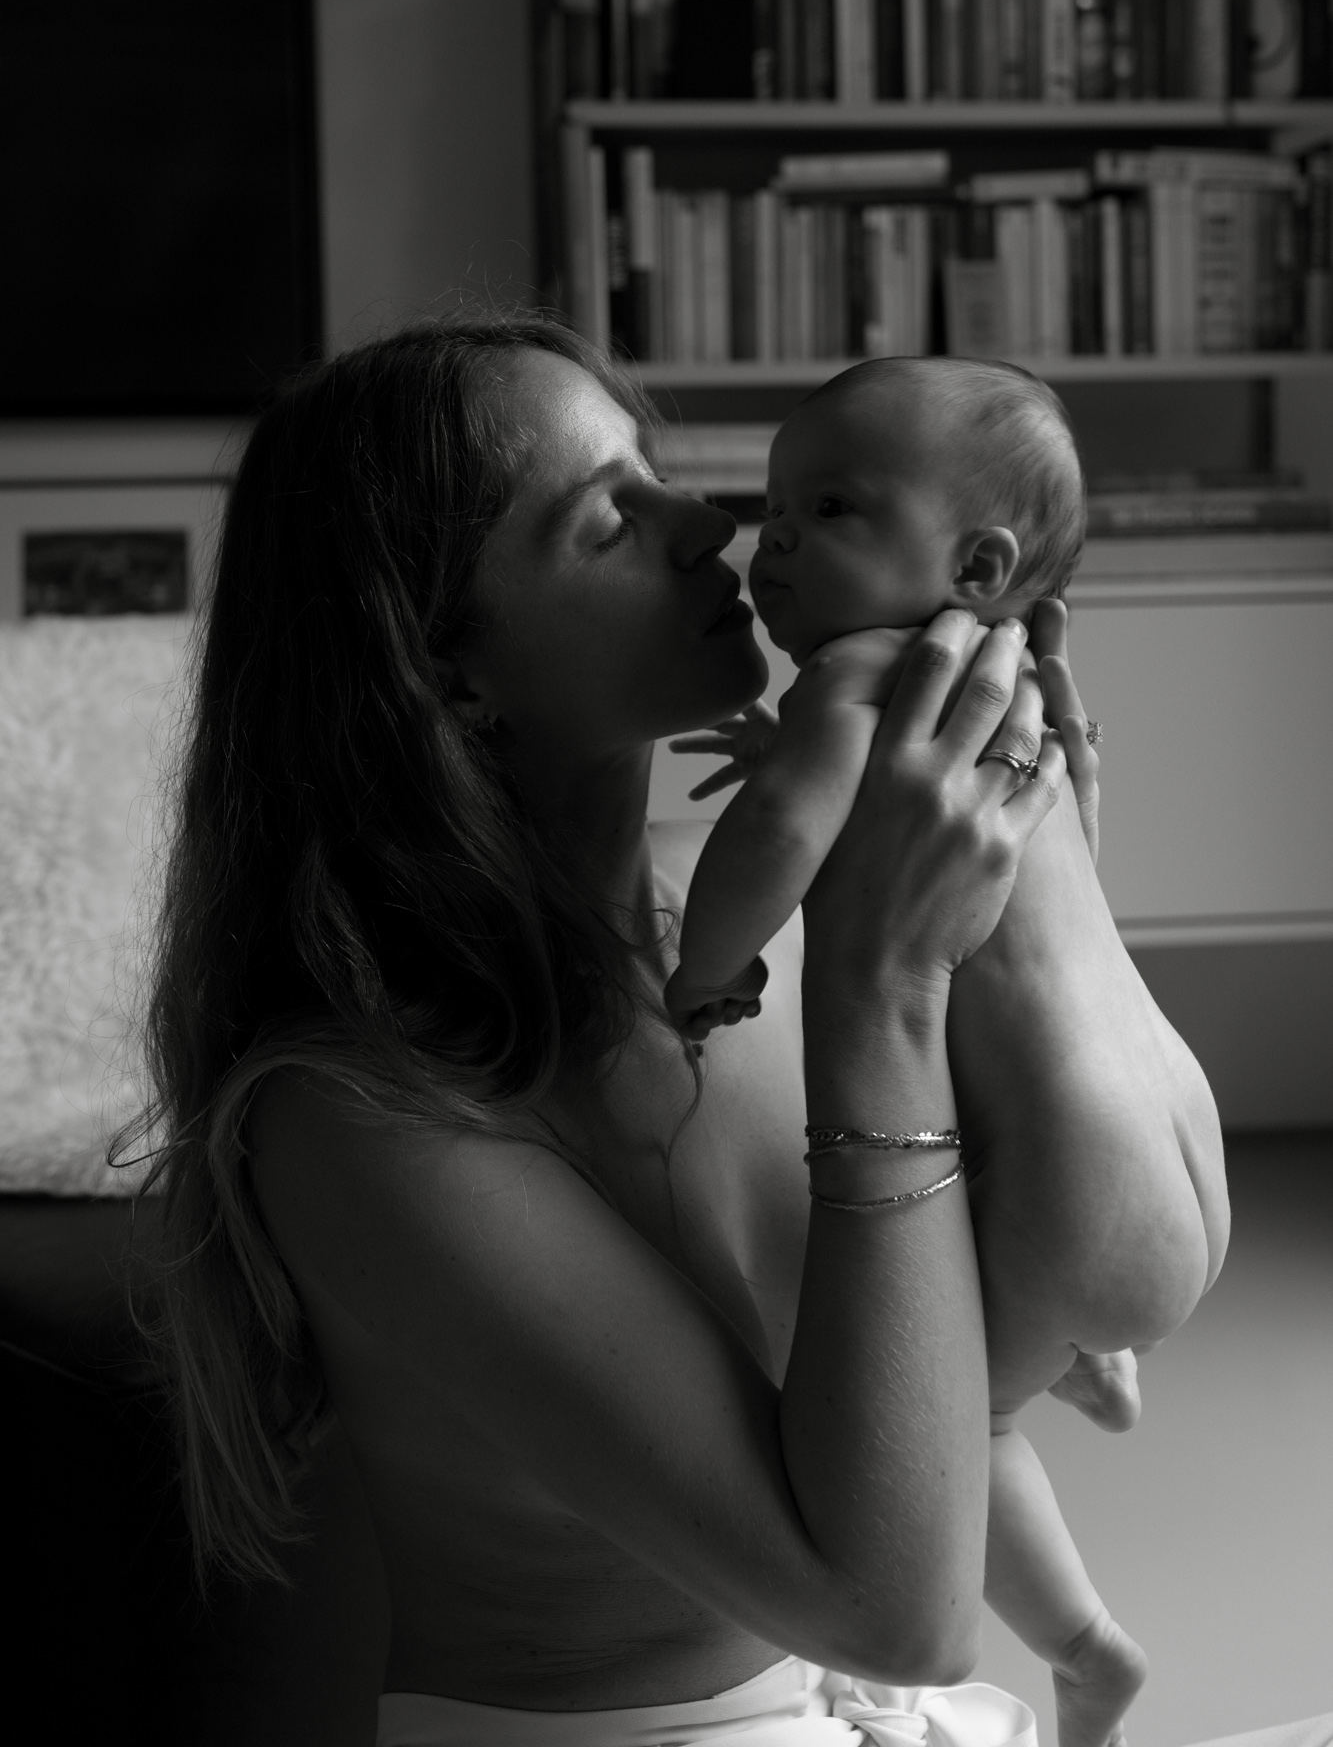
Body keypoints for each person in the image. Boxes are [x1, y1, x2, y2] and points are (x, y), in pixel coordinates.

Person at [137, 316, 1254, 1747]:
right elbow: (898, 1616)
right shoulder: (359, 1112)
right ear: (444, 673)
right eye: (607, 518)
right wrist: (884, 985)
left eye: (656, 471)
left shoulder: (739, 903)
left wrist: (1030, 939)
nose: (706, 524)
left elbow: (920, 1340)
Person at [665, 356, 1218, 1747]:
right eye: (773, 505)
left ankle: (1086, 1651)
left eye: (832, 506)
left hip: (1080, 1193)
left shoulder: (856, 677)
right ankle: (1097, 1346)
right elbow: (1045, 878)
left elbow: (775, 840)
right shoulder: (1008, 691)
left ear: (972, 561)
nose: (771, 539)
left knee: (942, 1416)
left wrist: (707, 969)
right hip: (1169, 1126)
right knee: (996, 1227)